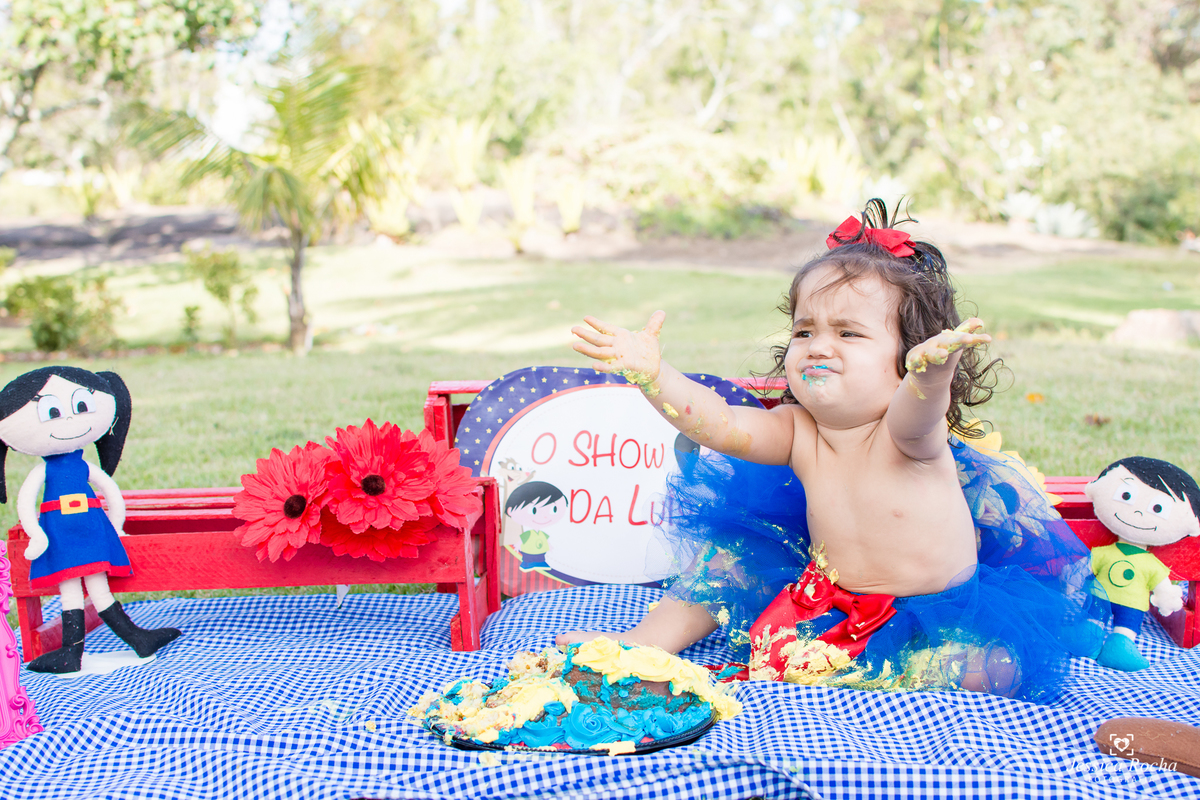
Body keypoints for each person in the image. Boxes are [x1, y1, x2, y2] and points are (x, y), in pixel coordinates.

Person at [558, 200, 1101, 700]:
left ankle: (912, 672)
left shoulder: (909, 433)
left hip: (933, 613)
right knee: (724, 565)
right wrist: (655, 376)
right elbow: (719, 425)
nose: (818, 345)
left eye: (849, 333)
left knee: (996, 669)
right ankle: (641, 644)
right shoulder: (799, 429)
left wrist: (932, 374)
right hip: (827, 599)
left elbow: (919, 410)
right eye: (804, 331)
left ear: (906, 357)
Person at [0, 366, 181, 674]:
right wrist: (38, 535)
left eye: (80, 407)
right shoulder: (46, 471)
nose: (69, 420)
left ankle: (133, 640)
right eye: (53, 412)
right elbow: (25, 503)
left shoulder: (82, 467)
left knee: (97, 590)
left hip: (91, 535)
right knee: (70, 591)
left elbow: (110, 492)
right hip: (61, 538)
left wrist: (117, 525)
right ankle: (77, 652)